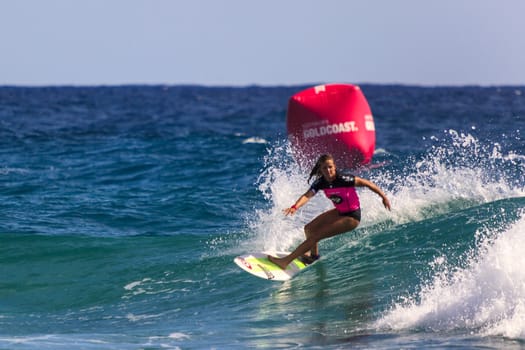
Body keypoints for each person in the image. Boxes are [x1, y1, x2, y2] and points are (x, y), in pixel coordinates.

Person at [268, 154, 391, 269]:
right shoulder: (321, 182)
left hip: (351, 217)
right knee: (309, 229)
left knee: (315, 237)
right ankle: (313, 257)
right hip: (339, 211)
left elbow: (367, 183)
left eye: (330, 167)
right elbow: (307, 195)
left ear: (334, 167)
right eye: (325, 168)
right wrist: (295, 206)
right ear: (320, 169)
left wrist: (383, 197)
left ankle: (285, 262)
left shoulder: (344, 179)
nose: (328, 170)